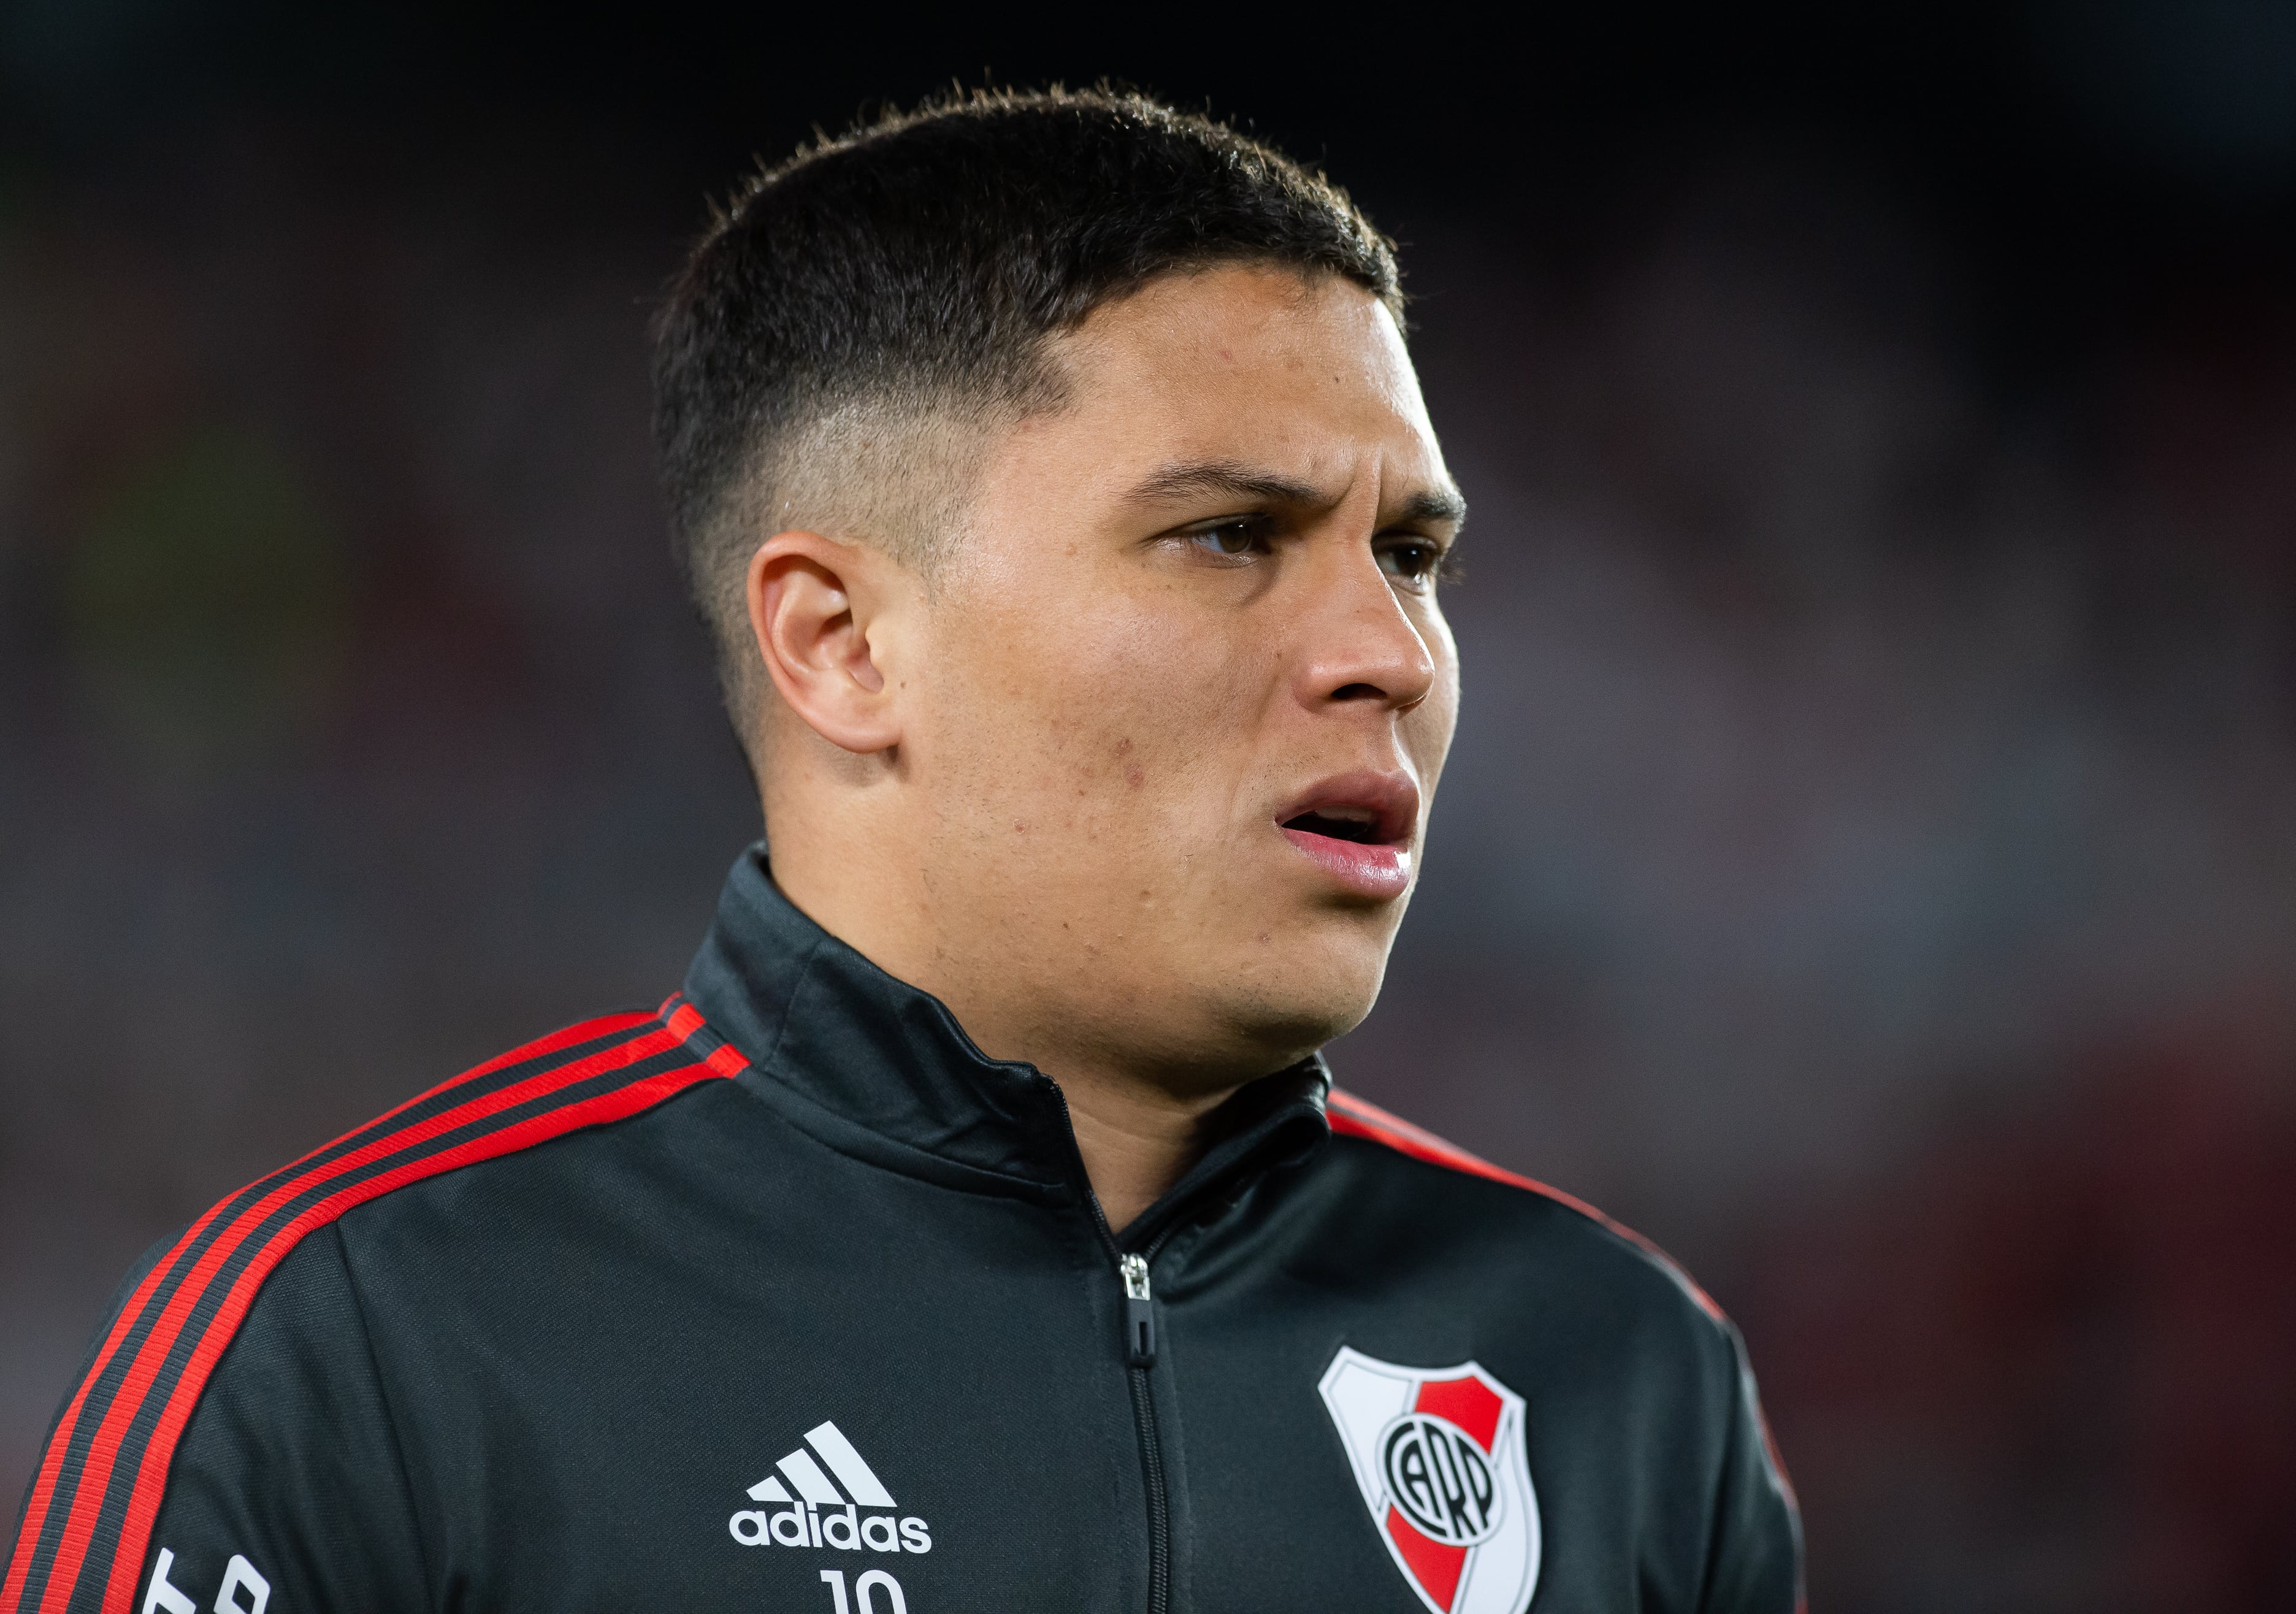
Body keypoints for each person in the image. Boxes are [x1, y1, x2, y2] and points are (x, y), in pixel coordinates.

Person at [6, 90, 1801, 1614]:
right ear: (844, 646)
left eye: (1411, 554)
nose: (1391, 654)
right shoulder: (364, 1354)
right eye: (1231, 537)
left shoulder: (1618, 1376)